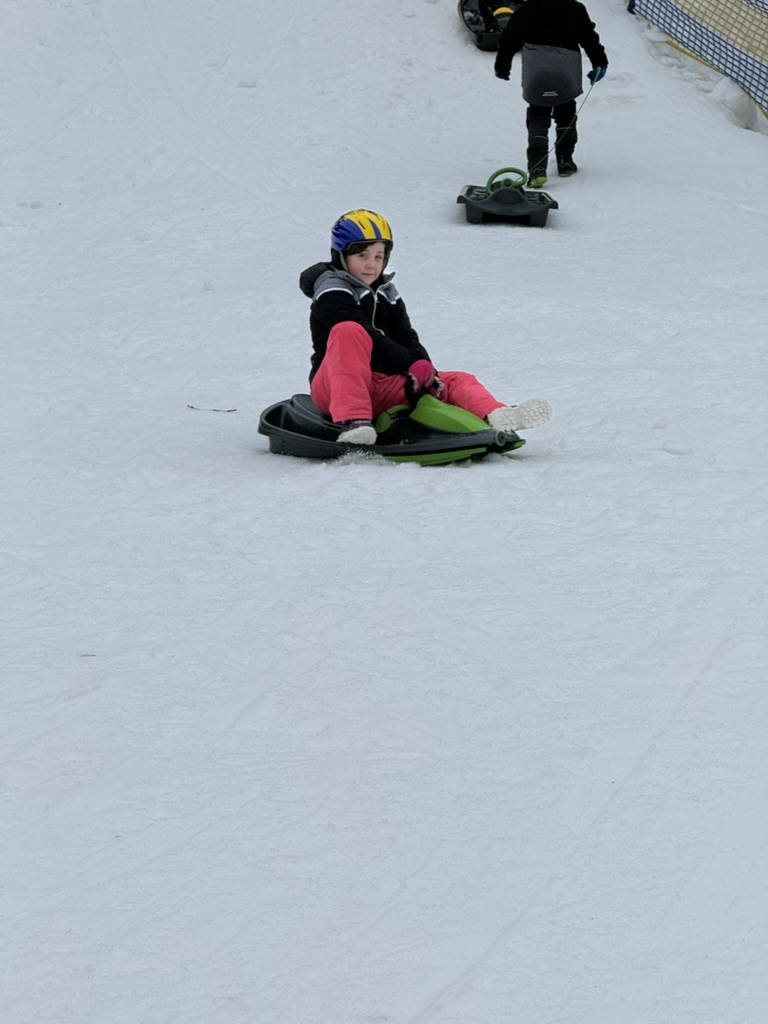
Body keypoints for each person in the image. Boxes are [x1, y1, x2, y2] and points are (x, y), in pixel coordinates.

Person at [298, 209, 551, 445]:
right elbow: (369, 335)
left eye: (378, 256)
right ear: (341, 256)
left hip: (379, 386)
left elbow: (406, 337)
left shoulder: (387, 292)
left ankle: (496, 414)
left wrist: (425, 370)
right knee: (349, 331)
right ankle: (353, 421)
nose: (371, 264)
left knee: (454, 380)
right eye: (362, 255)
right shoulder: (331, 291)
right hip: (335, 388)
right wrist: (408, 363)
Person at [493, 0, 608, 188]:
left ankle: (537, 167)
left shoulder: (527, 9)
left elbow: (509, 38)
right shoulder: (575, 9)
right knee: (566, 114)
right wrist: (600, 62)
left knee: (538, 117)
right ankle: (565, 160)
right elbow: (589, 38)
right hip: (565, 73)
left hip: (537, 74)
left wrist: (502, 67)